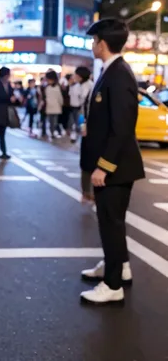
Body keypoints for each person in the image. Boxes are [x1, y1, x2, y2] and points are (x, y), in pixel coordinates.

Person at [79, 18, 145, 305]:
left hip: (115, 168)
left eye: (93, 42)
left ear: (102, 44)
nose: (92, 46)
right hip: (115, 166)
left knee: (111, 223)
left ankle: (113, 284)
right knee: (112, 221)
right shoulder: (113, 71)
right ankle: (120, 266)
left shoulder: (118, 75)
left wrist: (104, 166)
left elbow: (123, 126)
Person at [43, 70, 63, 139]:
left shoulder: (51, 87)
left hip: (53, 107)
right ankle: (52, 133)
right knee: (52, 122)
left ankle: (53, 133)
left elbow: (59, 98)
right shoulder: (49, 87)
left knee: (53, 122)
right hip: (52, 107)